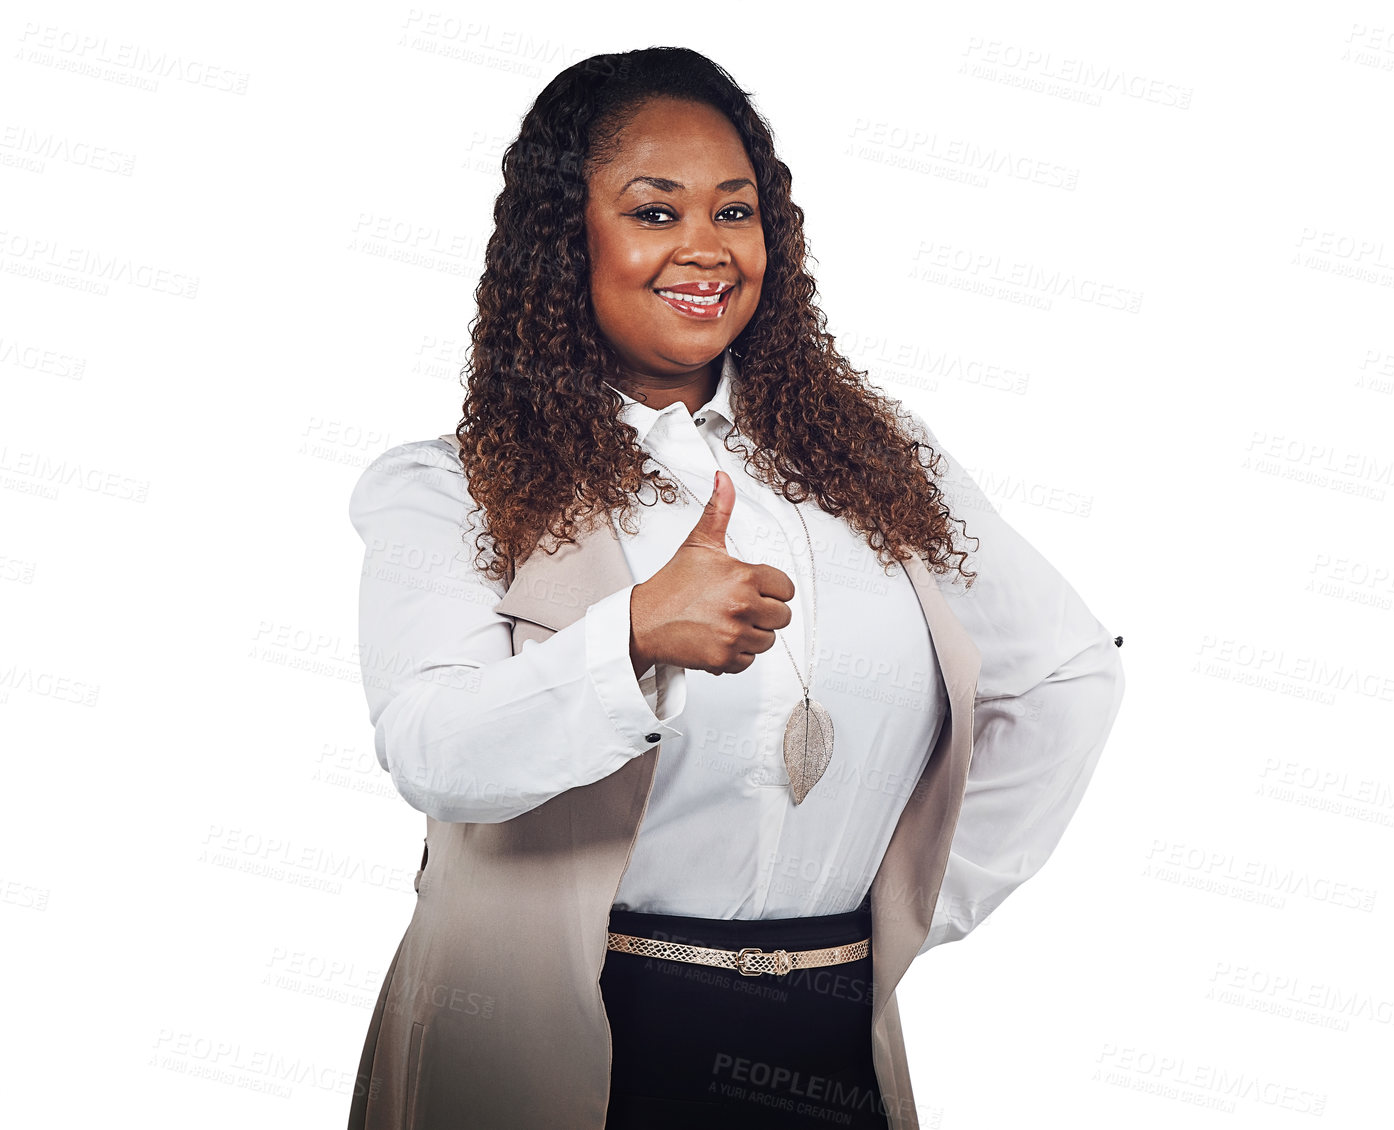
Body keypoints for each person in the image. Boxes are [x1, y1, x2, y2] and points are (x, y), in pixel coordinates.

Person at [344, 46, 1126, 1130]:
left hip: (825, 1035)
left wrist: (904, 909)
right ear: (564, 239)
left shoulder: (878, 458)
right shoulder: (453, 487)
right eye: (654, 213)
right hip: (563, 1031)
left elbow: (1064, 675)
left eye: (736, 211)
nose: (706, 248)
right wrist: (632, 636)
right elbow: (430, 747)